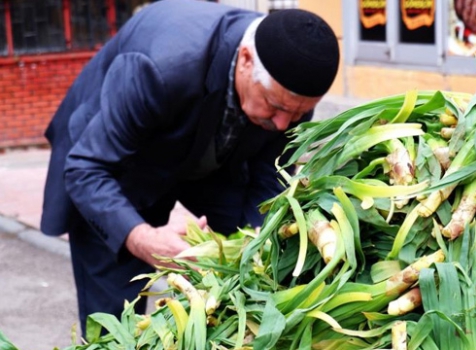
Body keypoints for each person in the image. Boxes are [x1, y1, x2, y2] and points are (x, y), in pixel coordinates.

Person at [39, 0, 339, 333]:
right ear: (245, 60)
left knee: (258, 266)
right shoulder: (162, 65)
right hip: (119, 166)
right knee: (116, 323)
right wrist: (144, 238)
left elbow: (270, 174)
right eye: (275, 106)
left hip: (208, 154)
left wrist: (259, 236)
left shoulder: (288, 86)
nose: (283, 124)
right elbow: (86, 169)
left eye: (298, 114)